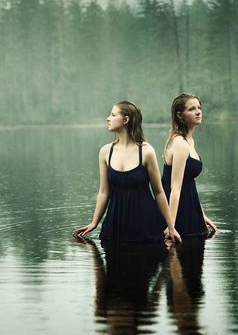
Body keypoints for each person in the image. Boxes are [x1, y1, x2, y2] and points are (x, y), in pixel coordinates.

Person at [73, 100, 181, 243]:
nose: (108, 118)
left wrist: (171, 226)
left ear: (125, 120)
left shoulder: (146, 151)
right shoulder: (106, 152)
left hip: (145, 223)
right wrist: (94, 223)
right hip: (115, 222)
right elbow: (104, 192)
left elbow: (159, 192)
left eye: (112, 115)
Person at [162, 93, 217, 239]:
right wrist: (171, 226)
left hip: (189, 205)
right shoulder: (180, 144)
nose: (198, 111)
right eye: (192, 109)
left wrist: (201, 214)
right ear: (180, 115)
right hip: (177, 210)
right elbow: (175, 187)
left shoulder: (189, 141)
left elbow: (189, 183)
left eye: (199, 107)